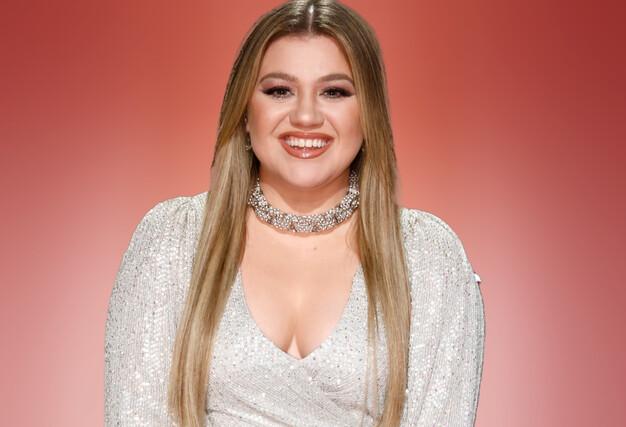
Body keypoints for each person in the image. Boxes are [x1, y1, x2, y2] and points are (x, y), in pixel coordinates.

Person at [104, 0, 485, 426]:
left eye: (334, 92)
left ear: (369, 113)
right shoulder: (173, 239)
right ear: (244, 111)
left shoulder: (426, 255)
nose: (306, 116)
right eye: (279, 91)